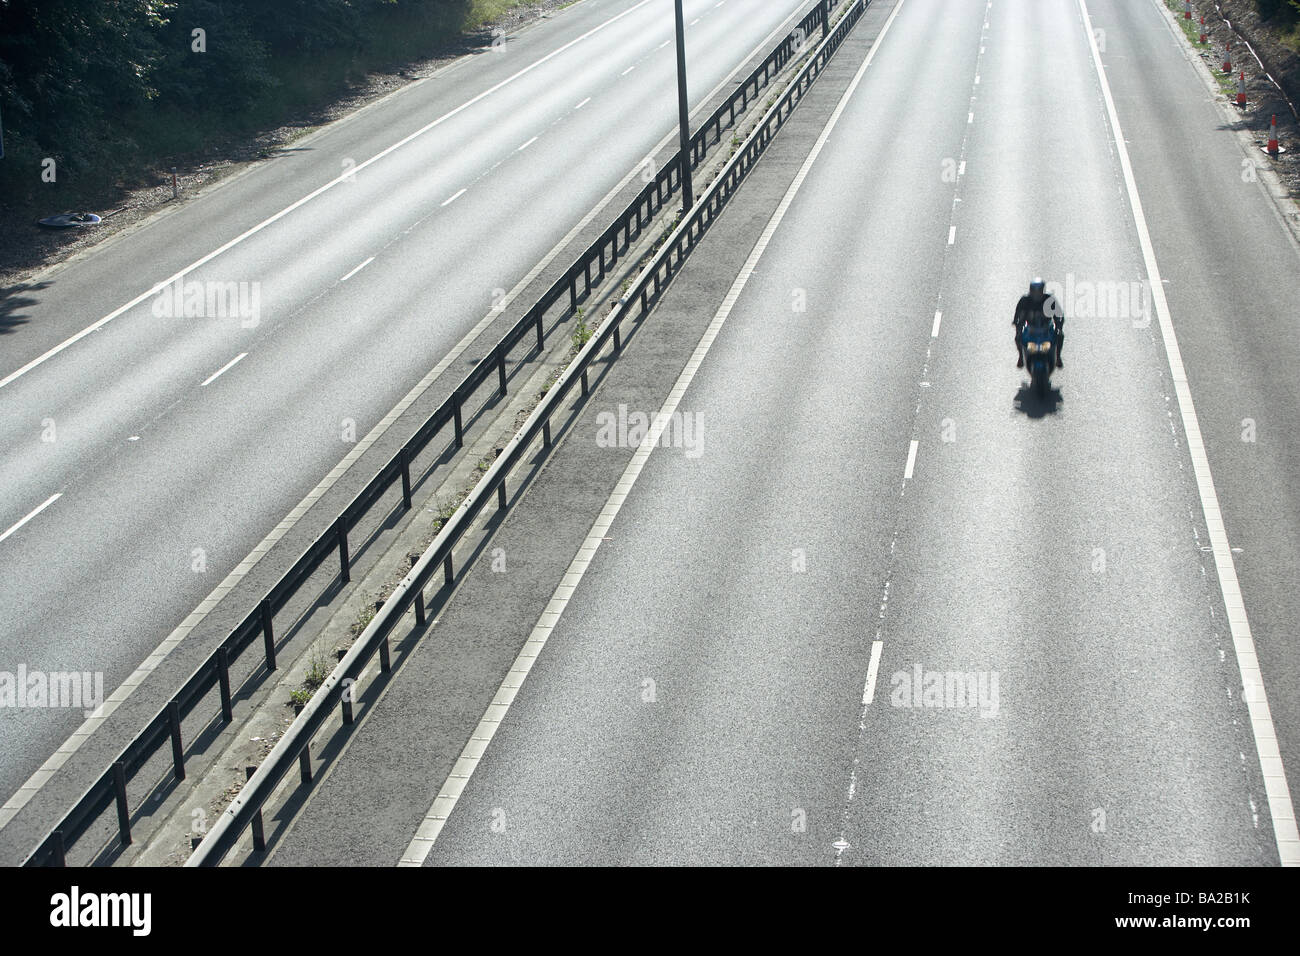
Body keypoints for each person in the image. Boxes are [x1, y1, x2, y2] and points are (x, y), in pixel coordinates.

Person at [1013, 277, 1064, 369]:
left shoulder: (1049, 300)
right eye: (1034, 291)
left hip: (1046, 329)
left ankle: (1058, 357)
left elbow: (1059, 315)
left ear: (1043, 291)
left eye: (1039, 291)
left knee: (1060, 335)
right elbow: (1017, 315)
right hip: (1030, 329)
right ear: (1030, 290)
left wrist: (1059, 326)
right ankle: (1021, 356)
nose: (1036, 294)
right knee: (1018, 337)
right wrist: (1017, 324)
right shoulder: (1025, 300)